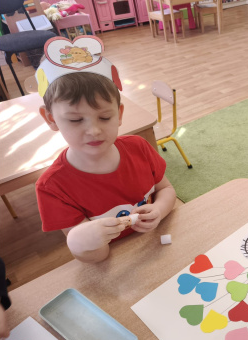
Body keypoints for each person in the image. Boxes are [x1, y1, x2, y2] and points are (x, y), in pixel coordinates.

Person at [34, 36, 176, 263]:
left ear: (119, 114)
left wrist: (159, 209)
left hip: (159, 246)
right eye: (75, 120)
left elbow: (166, 189)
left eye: (105, 117)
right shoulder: (53, 187)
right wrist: (80, 242)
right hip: (118, 263)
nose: (94, 131)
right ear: (51, 119)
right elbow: (98, 258)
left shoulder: (139, 147)